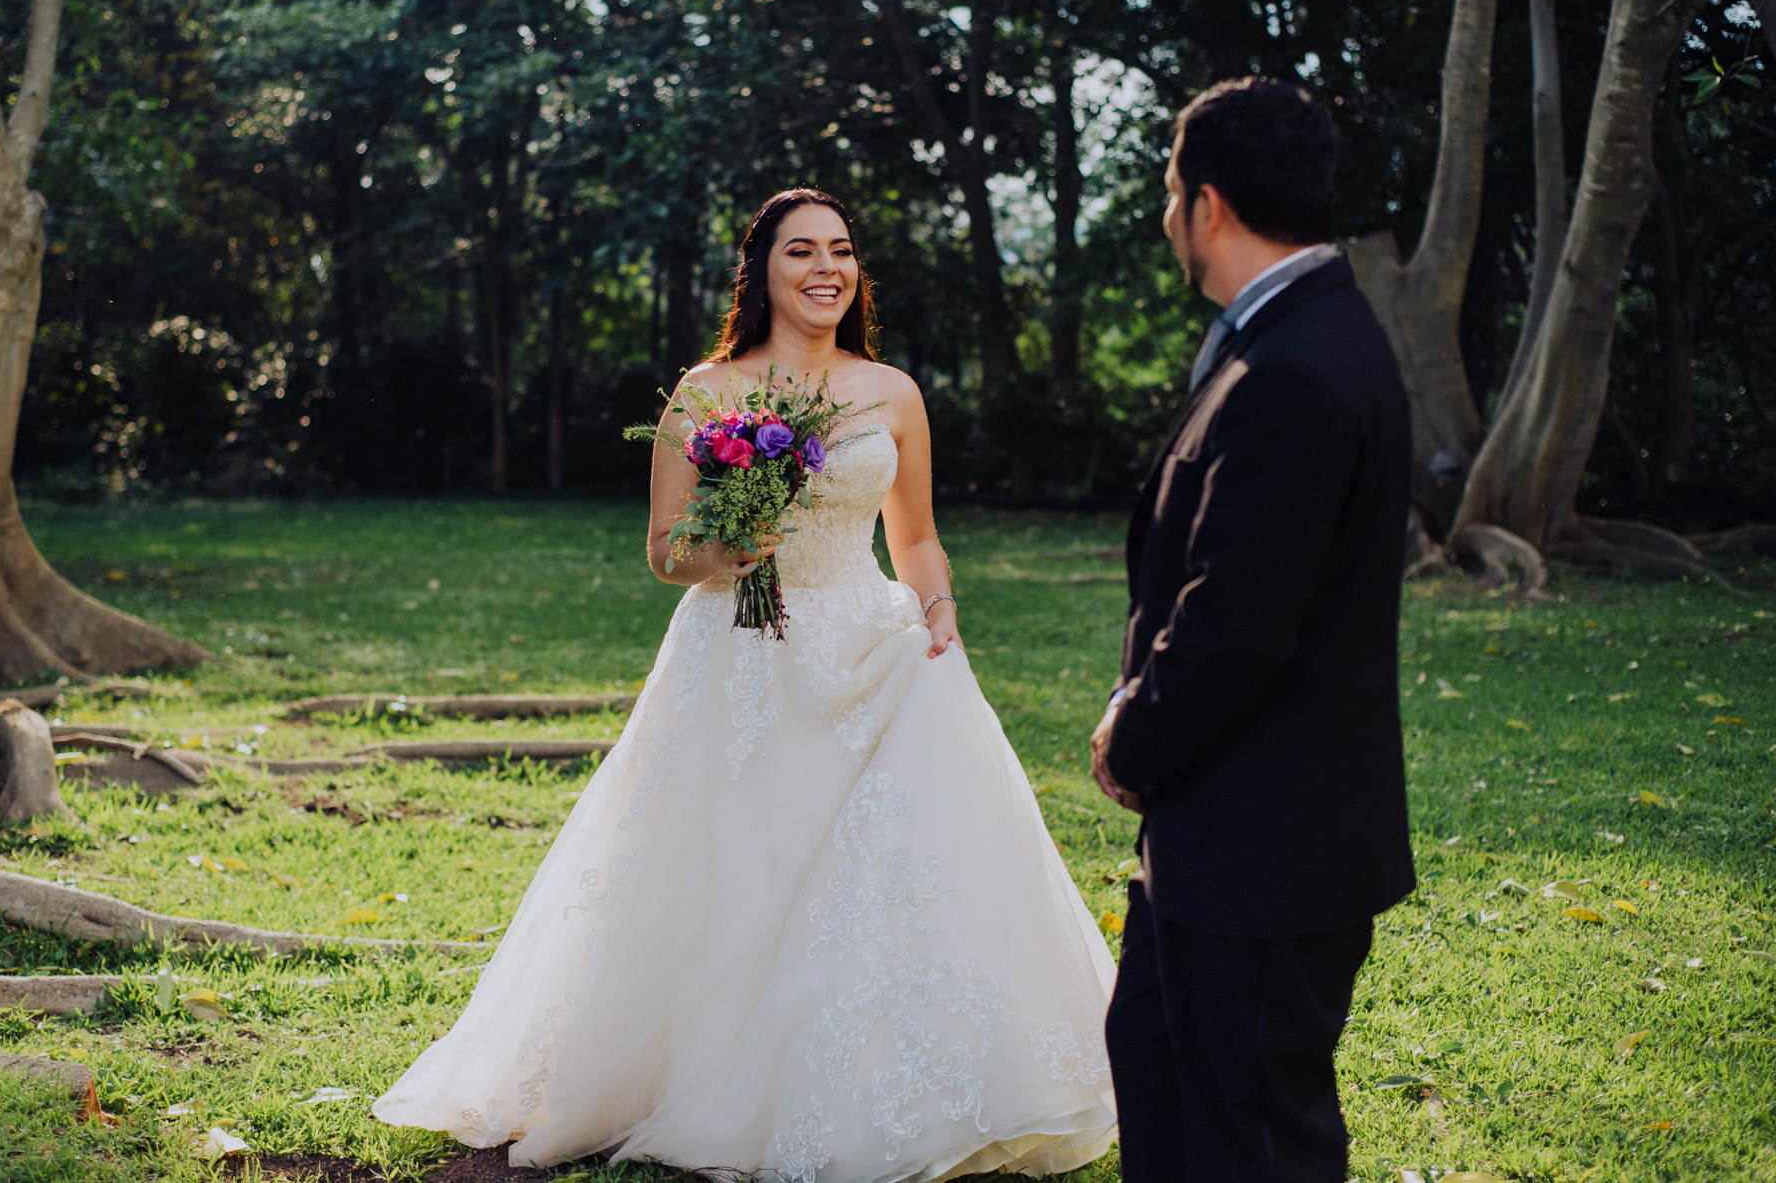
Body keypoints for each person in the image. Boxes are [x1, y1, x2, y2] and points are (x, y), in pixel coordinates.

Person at [376, 188, 1118, 1183]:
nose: (826, 268)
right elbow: (664, 551)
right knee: (736, 869)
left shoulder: (892, 390)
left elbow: (916, 538)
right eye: (801, 250)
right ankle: (701, 1079)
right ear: (761, 268)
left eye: (841, 250)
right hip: (742, 652)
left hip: (874, 650)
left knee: (893, 867)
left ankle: (890, 1083)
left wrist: (938, 607)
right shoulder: (707, 389)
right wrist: (730, 548)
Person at [1089, 78, 1416, 1183]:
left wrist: (1133, 735)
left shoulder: (1295, 366)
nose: (1165, 213)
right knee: (1157, 1067)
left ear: (1208, 204)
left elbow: (1238, 620)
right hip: (1214, 836)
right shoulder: (1285, 333)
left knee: (1252, 1140)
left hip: (1268, 848)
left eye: (1168, 190)